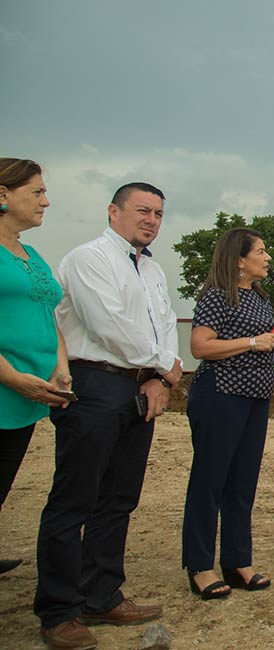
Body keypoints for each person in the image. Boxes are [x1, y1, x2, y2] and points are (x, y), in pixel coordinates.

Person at [36, 182, 183, 650]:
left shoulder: (153, 270)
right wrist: (162, 365)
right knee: (75, 498)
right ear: (113, 211)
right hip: (94, 382)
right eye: (142, 210)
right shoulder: (88, 258)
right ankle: (59, 609)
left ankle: (101, 594)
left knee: (119, 497)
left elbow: (164, 323)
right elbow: (107, 324)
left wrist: (160, 377)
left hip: (139, 385)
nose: (151, 220)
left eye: (158, 213)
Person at [182, 228, 274, 599]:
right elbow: (200, 346)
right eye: (261, 251)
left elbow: (259, 343)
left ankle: (236, 562)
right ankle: (199, 566)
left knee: (242, 483)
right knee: (209, 482)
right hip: (219, 396)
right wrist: (251, 342)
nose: (268, 258)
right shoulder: (217, 295)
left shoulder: (260, 298)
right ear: (239, 260)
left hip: (255, 399)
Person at [0, 159, 71, 576]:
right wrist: (10, 376)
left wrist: (59, 366)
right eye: (37, 192)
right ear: (3, 195)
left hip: (29, 392)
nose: (46, 201)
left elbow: (51, 316)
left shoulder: (32, 254)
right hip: (9, 384)